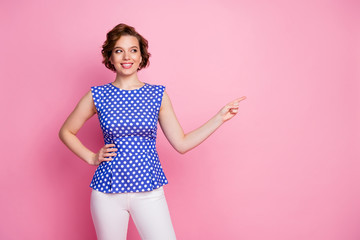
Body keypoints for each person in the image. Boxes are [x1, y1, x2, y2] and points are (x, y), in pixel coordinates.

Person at [59, 23, 246, 240]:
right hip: (106, 192)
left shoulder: (157, 95)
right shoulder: (97, 95)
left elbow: (182, 143)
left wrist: (219, 118)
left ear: (141, 57)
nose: (126, 56)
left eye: (133, 50)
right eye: (119, 50)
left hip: (149, 190)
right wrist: (91, 157)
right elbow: (66, 131)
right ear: (110, 57)